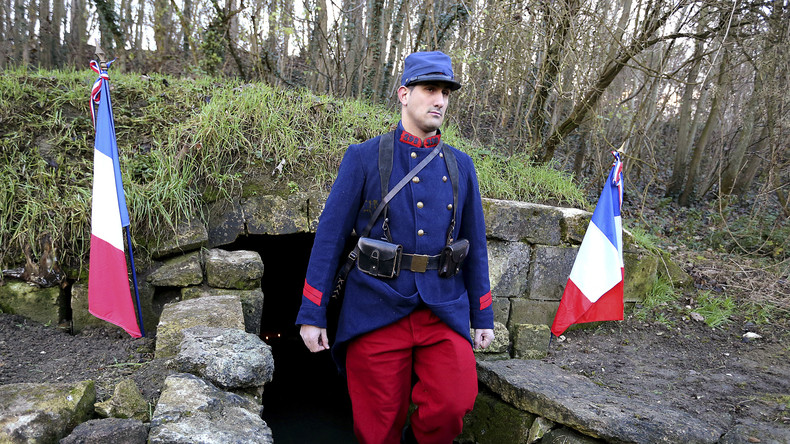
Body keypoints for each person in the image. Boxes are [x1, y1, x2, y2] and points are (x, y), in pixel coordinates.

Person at [296, 51, 495, 444]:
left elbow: (476, 245)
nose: (439, 100)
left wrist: (482, 315)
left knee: (453, 402)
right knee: (377, 427)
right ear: (404, 94)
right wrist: (312, 313)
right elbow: (330, 239)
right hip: (376, 305)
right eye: (430, 89)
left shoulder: (461, 165)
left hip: (442, 308)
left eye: (446, 92)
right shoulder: (364, 157)